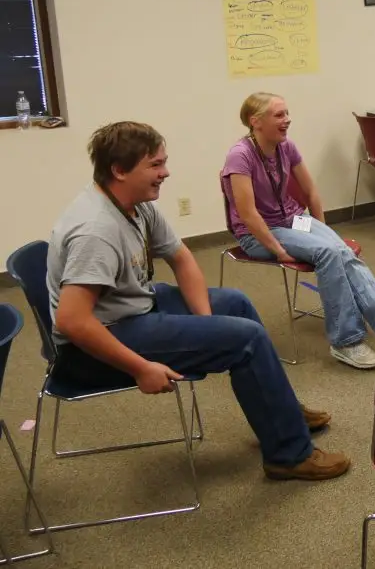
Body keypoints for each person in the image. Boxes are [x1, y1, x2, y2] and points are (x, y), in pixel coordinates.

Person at [47, 122, 349, 481]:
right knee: (245, 339)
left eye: (164, 162)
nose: (166, 173)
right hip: (95, 346)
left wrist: (205, 326)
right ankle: (289, 454)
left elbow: (182, 258)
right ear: (119, 170)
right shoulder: (96, 230)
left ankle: (281, 414)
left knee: (235, 304)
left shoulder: (133, 204)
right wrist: (141, 368)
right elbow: (72, 321)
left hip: (132, 308)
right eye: (155, 165)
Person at [221, 92, 375, 370]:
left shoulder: (286, 146)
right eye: (279, 115)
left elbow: (311, 190)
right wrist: (278, 251)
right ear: (256, 121)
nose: (287, 120)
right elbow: (248, 215)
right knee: (327, 252)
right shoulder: (239, 156)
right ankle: (345, 341)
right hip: (259, 233)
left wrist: (322, 229)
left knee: (340, 249)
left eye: (287, 113)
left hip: (293, 219)